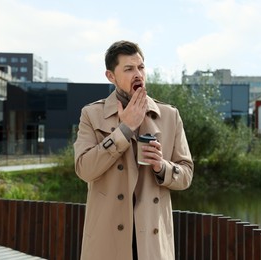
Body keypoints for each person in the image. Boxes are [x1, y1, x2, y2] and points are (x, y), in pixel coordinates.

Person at [73, 40, 194, 260]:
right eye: (129, 69)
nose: (138, 74)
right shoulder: (91, 115)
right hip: (107, 241)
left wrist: (161, 167)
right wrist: (124, 130)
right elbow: (84, 169)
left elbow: (186, 175)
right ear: (111, 76)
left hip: (152, 244)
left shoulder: (169, 115)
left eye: (141, 67)